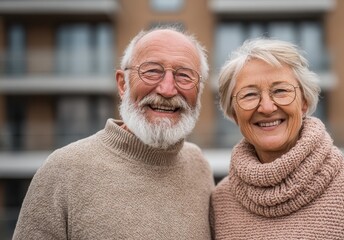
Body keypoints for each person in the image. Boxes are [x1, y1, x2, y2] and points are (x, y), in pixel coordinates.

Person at [13, 26, 214, 239]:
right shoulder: (63, 170)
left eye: (184, 76)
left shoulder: (198, 166)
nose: (167, 89)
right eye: (152, 71)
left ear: (199, 91)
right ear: (122, 84)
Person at [210, 38, 344, 239]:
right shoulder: (221, 201)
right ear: (233, 113)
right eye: (249, 95)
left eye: (281, 91)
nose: (266, 107)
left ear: (304, 103)